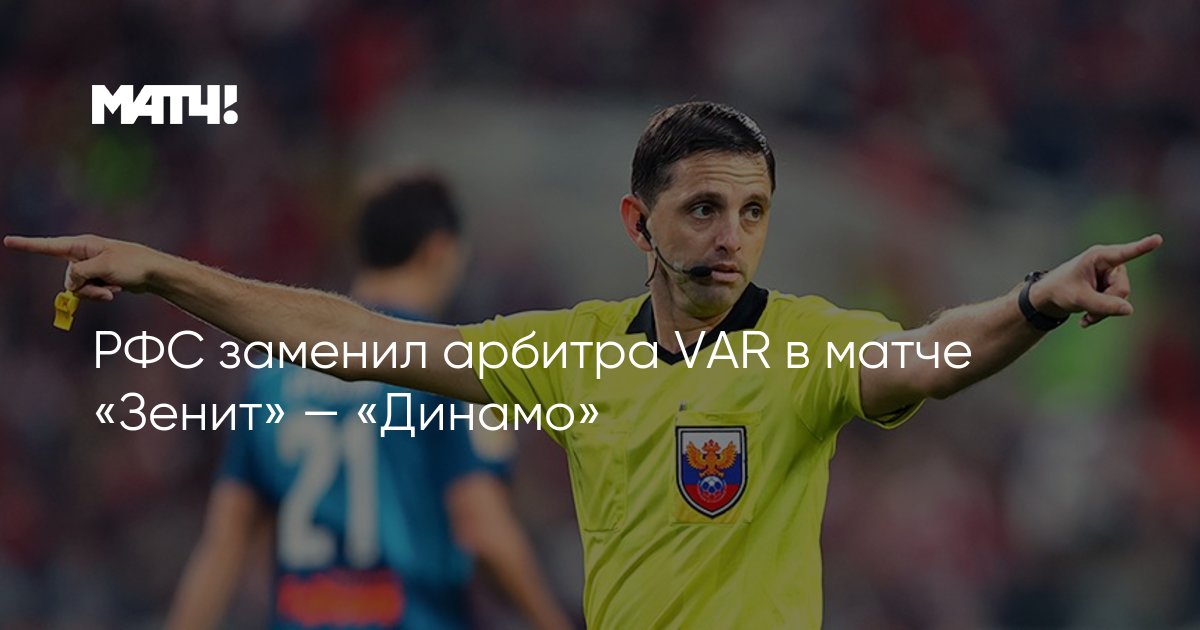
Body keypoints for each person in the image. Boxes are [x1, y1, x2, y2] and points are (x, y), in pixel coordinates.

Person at [5, 102, 1162, 629]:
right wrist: (164, 272)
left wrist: (1032, 303)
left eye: (753, 212)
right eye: (703, 209)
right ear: (636, 224)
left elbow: (930, 360)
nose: (731, 237)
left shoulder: (807, 341)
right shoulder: (569, 353)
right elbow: (353, 340)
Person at [160, 175, 570, 630]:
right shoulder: (447, 369)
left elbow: (224, 543)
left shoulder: (271, 374)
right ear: (439, 251)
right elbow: (482, 528)